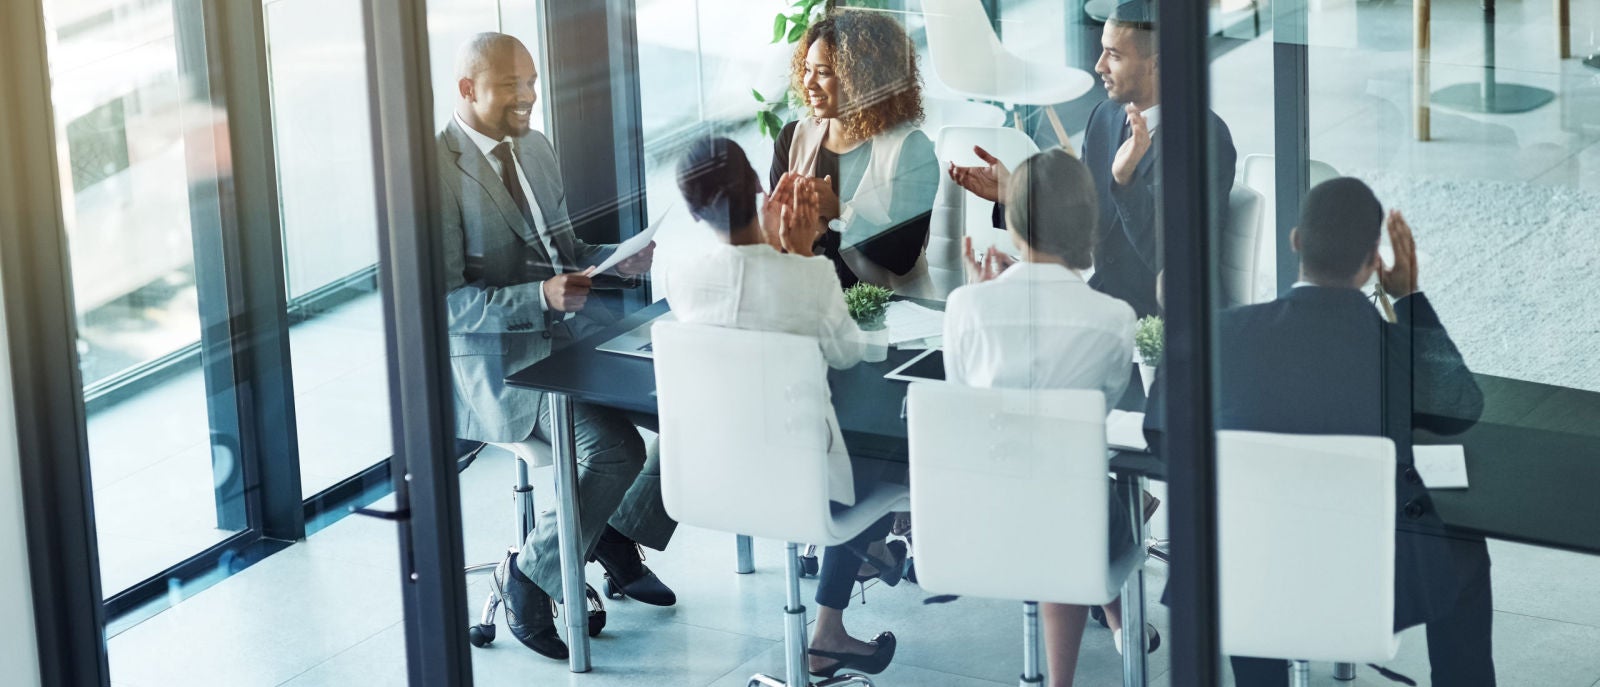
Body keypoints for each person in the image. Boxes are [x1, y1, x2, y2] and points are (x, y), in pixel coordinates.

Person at [437, 32, 677, 661]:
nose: (530, 97)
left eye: (533, 81)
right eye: (513, 85)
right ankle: (528, 575)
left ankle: (617, 531)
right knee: (615, 450)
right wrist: (541, 298)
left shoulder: (535, 148)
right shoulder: (433, 172)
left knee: (695, 405)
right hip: (505, 363)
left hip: (577, 340)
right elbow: (446, 306)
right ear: (467, 89)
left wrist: (617, 262)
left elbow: (562, 255)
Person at [1217, 178, 1492, 685]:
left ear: (1296, 240)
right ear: (1373, 262)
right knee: (1466, 555)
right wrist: (1409, 298)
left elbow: (1160, 432)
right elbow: (1461, 407)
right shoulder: (1393, 352)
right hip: (1369, 584)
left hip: (1252, 576)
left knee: (1246, 548)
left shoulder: (1224, 337)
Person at [666, 137, 903, 679]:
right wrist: (798, 255)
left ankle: (868, 557)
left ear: (693, 210)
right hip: (805, 488)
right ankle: (833, 620)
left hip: (718, 483)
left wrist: (776, 251)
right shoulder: (805, 274)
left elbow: (742, 293)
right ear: (757, 185)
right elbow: (845, 354)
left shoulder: (681, 276)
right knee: (892, 450)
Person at [944, 148, 1155, 686]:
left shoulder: (966, 308)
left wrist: (983, 297)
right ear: (1087, 226)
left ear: (1012, 222)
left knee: (1054, 483)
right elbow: (1101, 405)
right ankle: (1102, 634)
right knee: (1076, 483)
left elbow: (965, 397)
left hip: (974, 521)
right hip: (1069, 523)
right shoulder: (1114, 319)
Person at [948, 0, 1237, 319]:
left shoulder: (1205, 140)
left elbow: (1172, 264)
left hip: (1164, 323)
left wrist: (1126, 182)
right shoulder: (1106, 116)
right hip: (1101, 300)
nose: (1099, 65)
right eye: (1103, 51)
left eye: (1114, 55)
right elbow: (1083, 222)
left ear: (1156, 63)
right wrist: (1013, 197)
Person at [770, 9, 940, 295]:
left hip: (893, 312)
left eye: (823, 73)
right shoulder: (792, 138)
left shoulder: (911, 149)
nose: (809, 82)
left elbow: (901, 258)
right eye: (807, 69)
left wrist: (838, 211)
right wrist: (804, 235)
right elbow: (775, 241)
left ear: (863, 79)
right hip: (813, 300)